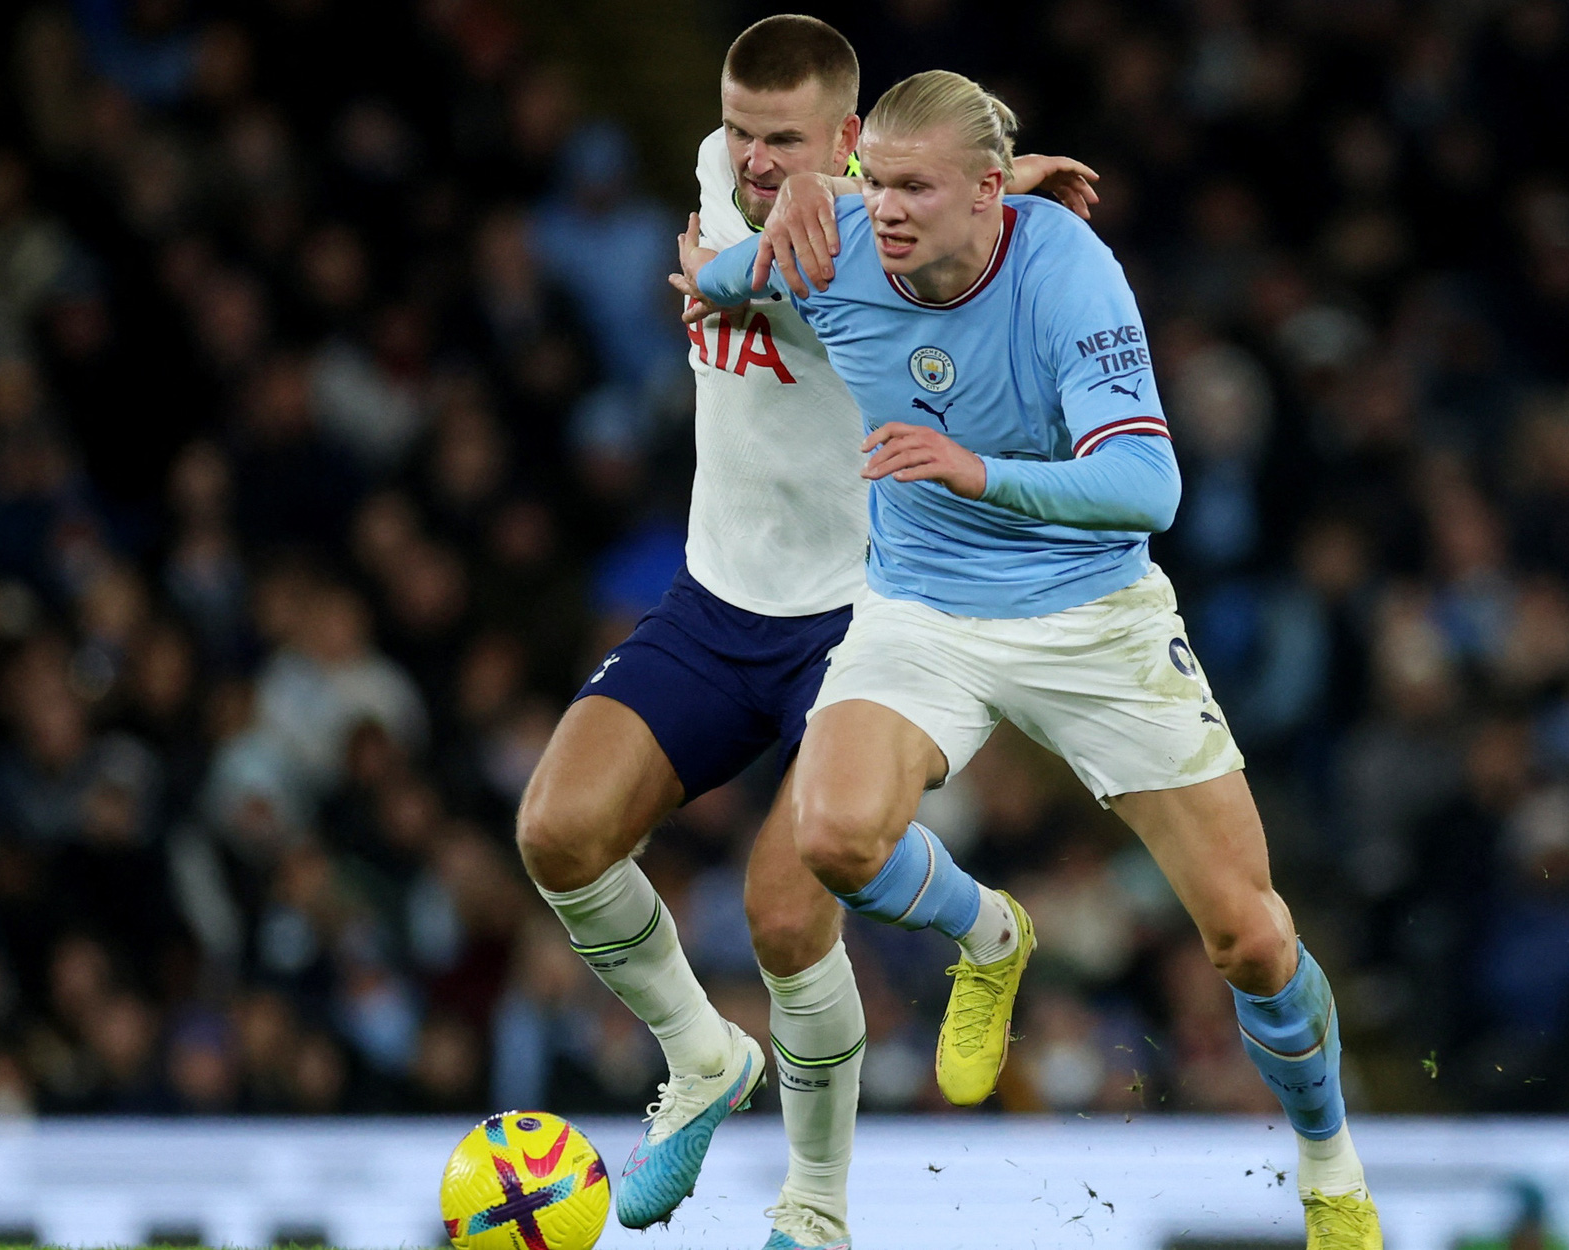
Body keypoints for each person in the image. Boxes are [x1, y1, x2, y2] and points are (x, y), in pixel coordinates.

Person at [682, 70, 1383, 1247]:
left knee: (1250, 937)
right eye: (874, 182)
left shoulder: (1065, 269)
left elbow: (1147, 485)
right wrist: (714, 259)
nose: (884, 210)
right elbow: (711, 272)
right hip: (922, 612)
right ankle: (989, 932)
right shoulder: (831, 236)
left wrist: (975, 471)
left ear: (989, 195)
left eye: (915, 188)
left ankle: (1329, 1168)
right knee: (832, 835)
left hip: (1089, 611)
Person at [512, 17, 1098, 1250]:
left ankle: (818, 1205)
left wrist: (1003, 207)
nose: (753, 157)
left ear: (844, 140)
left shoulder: (890, 244)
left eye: (784, 140)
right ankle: (700, 1053)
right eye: (740, 128)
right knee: (557, 830)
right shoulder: (716, 176)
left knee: (789, 912)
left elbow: (916, 259)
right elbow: (736, 233)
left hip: (866, 615)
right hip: (719, 597)